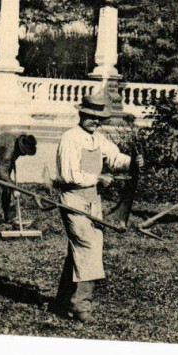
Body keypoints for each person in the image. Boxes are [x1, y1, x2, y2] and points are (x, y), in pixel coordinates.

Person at [52, 92, 144, 323]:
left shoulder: (98, 139)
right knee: (89, 247)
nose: (95, 121)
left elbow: (114, 158)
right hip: (73, 199)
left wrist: (132, 162)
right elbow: (69, 175)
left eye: (98, 118)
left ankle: (62, 300)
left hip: (94, 201)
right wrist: (98, 178)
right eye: (90, 116)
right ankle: (81, 307)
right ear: (81, 114)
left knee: (80, 250)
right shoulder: (70, 138)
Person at [0, 133, 37, 224]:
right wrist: (14, 187)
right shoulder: (8, 149)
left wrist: (12, 186)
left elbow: (4, 168)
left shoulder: (19, 142)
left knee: (8, 186)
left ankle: (10, 216)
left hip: (2, 160)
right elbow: (2, 173)